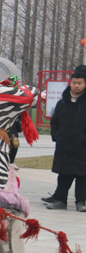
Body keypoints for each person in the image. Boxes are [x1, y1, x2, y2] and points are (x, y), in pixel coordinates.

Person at [44, 66, 86, 212]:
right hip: (64, 146)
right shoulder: (62, 103)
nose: (76, 86)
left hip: (82, 147)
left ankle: (81, 201)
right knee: (64, 174)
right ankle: (60, 200)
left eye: (79, 83)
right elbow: (54, 121)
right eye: (74, 82)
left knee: (82, 175)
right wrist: (57, 136)